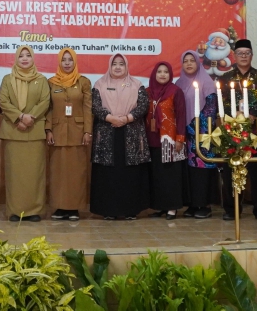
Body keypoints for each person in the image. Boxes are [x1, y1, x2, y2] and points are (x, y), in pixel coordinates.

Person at [90, 54, 150, 219]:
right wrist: (111, 118)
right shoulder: (100, 84)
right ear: (109, 66)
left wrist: (126, 118)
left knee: (130, 174)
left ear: (126, 66)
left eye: (121, 64)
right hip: (107, 133)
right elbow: (95, 106)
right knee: (108, 175)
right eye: (114, 64)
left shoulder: (137, 85)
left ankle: (131, 210)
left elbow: (143, 106)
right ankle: (108, 211)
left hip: (131, 133)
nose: (117, 67)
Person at [218, 39, 257, 221]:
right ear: (234, 55)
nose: (243, 56)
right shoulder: (225, 78)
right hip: (232, 132)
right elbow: (221, 102)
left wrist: (253, 114)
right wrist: (237, 115)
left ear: (252, 55)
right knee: (231, 172)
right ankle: (231, 209)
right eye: (240, 53)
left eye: (246, 53)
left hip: (256, 132)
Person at [0, 45, 50, 222]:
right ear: (16, 59)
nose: (25, 58)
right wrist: (20, 117)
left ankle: (34, 211)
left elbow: (45, 101)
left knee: (35, 174)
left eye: (28, 55)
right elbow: (3, 101)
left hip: (34, 132)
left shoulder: (41, 80)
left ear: (33, 58)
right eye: (21, 56)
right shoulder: (7, 79)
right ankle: (15, 211)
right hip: (14, 132)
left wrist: (30, 117)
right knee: (15, 175)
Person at [45, 48, 92, 221]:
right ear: (59, 62)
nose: (66, 63)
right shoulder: (51, 82)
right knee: (57, 172)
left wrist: (87, 131)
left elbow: (88, 108)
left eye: (70, 60)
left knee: (76, 172)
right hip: (57, 133)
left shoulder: (83, 82)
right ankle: (59, 207)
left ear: (74, 62)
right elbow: (48, 108)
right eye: (63, 60)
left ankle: (74, 209)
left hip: (78, 133)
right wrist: (48, 129)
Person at [176, 50, 219, 219]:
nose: (188, 64)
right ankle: (192, 204)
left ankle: (205, 204)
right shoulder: (179, 83)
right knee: (188, 170)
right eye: (185, 61)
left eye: (192, 60)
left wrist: (197, 128)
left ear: (198, 63)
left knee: (202, 168)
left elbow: (210, 110)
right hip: (185, 134)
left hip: (203, 134)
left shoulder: (207, 82)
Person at [145, 61, 187, 220]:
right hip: (151, 139)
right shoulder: (148, 92)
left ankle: (172, 208)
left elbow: (181, 116)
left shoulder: (175, 91)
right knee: (157, 175)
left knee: (171, 176)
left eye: (166, 72)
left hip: (170, 140)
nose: (162, 74)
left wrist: (180, 139)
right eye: (159, 71)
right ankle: (160, 206)